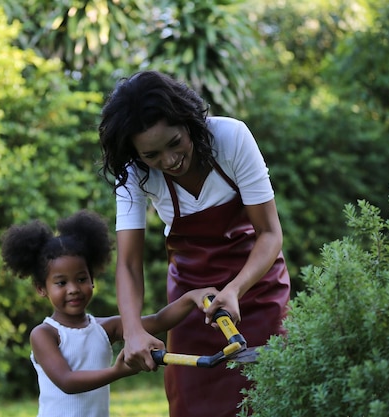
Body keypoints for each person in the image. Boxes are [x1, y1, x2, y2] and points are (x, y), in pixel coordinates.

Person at [98, 70, 291, 416]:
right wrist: (133, 332)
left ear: (188, 122)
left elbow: (269, 233)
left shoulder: (230, 137)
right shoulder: (133, 173)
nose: (169, 161)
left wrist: (234, 290)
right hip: (192, 306)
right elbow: (128, 263)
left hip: (257, 292)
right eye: (152, 155)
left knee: (271, 402)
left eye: (174, 143)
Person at [0, 209, 218, 417]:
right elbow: (67, 381)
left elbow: (158, 321)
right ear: (41, 288)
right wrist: (119, 371)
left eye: (81, 279)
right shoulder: (44, 334)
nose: (73, 288)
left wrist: (191, 298)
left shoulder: (105, 328)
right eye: (61, 283)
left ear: (92, 280)